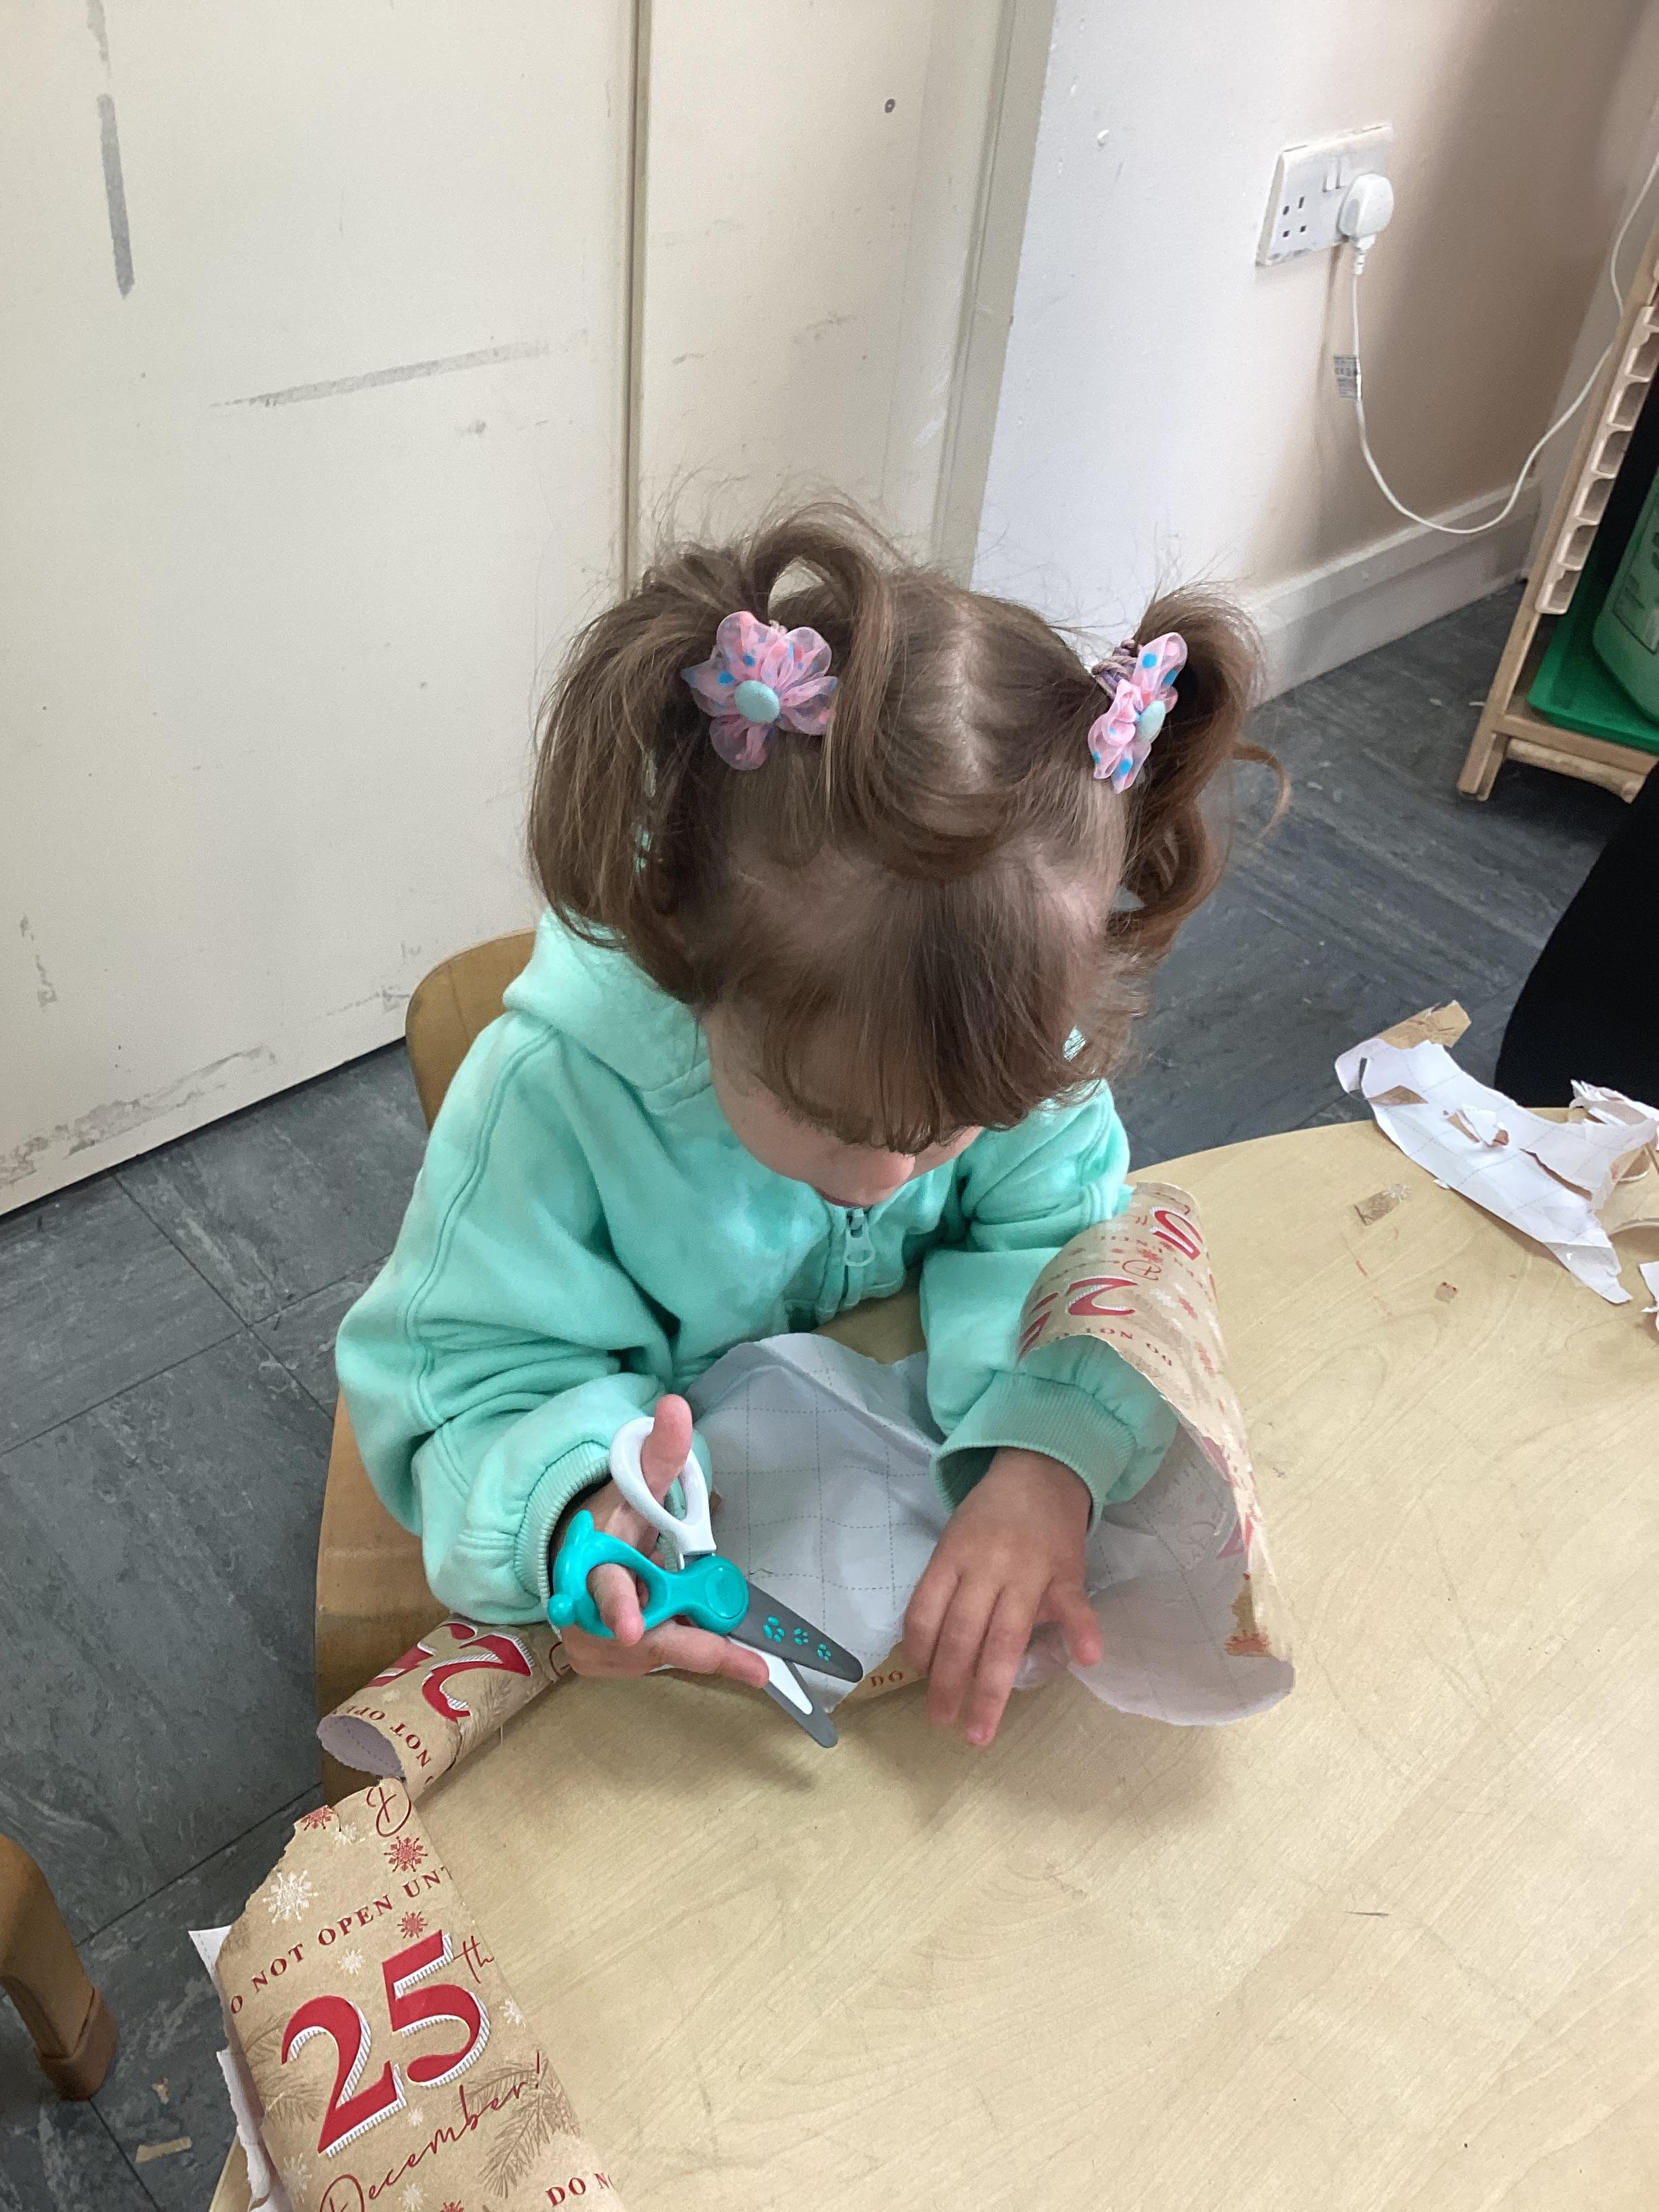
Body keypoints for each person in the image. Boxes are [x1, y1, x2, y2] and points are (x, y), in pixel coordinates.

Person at [337, 506, 1262, 1748]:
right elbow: (464, 1382)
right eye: (833, 1118)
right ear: (691, 965)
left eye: (954, 1126)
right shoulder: (552, 1100)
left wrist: (1049, 1456)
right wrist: (572, 1512)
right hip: (672, 1610)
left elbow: (1068, 1243)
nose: (887, 1175)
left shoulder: (1010, 1040)